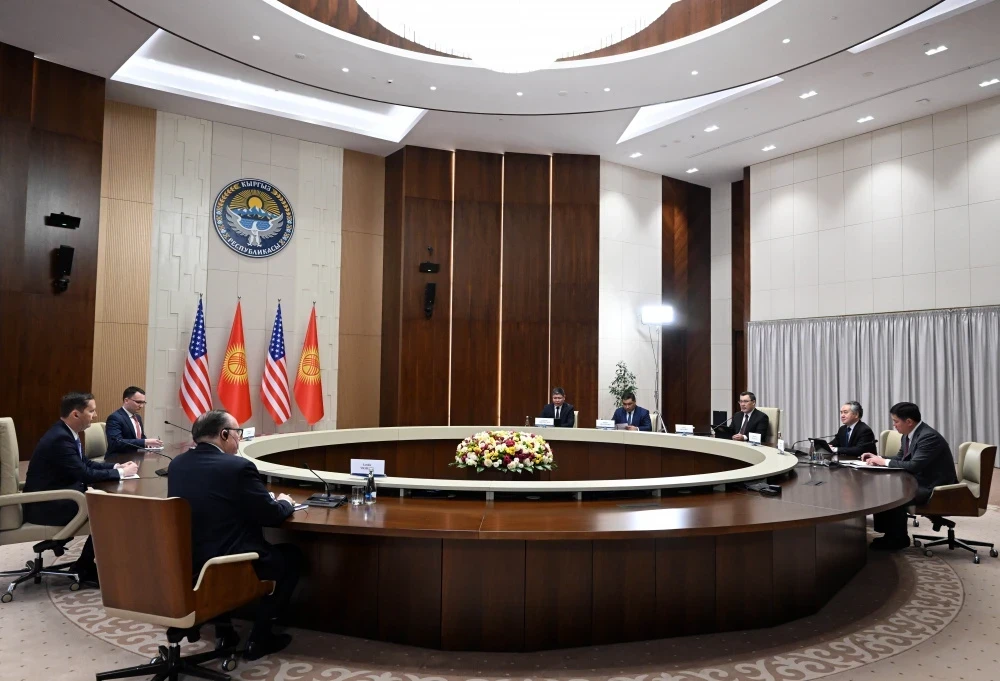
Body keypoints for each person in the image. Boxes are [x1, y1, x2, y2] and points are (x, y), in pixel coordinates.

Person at [167, 409, 302, 660]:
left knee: (221, 539)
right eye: (237, 433)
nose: (239, 438)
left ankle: (225, 632)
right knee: (291, 557)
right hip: (230, 565)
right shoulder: (238, 467)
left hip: (189, 562)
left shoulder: (178, 464)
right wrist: (284, 502)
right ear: (224, 434)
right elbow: (272, 515)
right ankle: (260, 639)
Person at [21, 393, 139, 585]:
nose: (95, 415)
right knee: (108, 512)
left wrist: (116, 467)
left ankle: (85, 562)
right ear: (76, 414)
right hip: (46, 505)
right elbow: (84, 474)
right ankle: (83, 568)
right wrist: (121, 474)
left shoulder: (66, 433)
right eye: (91, 411)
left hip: (57, 497)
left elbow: (84, 463)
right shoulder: (60, 438)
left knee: (106, 505)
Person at [861, 402, 958, 551]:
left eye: (896, 421)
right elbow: (900, 458)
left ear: (909, 422)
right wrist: (878, 458)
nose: (894, 425)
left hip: (933, 485)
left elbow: (914, 466)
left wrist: (884, 462)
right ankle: (890, 535)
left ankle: (899, 539)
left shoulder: (928, 437)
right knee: (882, 488)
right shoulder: (908, 436)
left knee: (893, 493)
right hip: (918, 479)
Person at [105, 386, 162, 455]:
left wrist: (150, 445)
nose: (141, 406)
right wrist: (145, 442)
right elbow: (116, 443)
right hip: (119, 458)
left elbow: (141, 438)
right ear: (126, 400)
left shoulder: (138, 417)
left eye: (143, 402)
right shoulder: (115, 418)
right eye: (138, 402)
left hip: (137, 456)